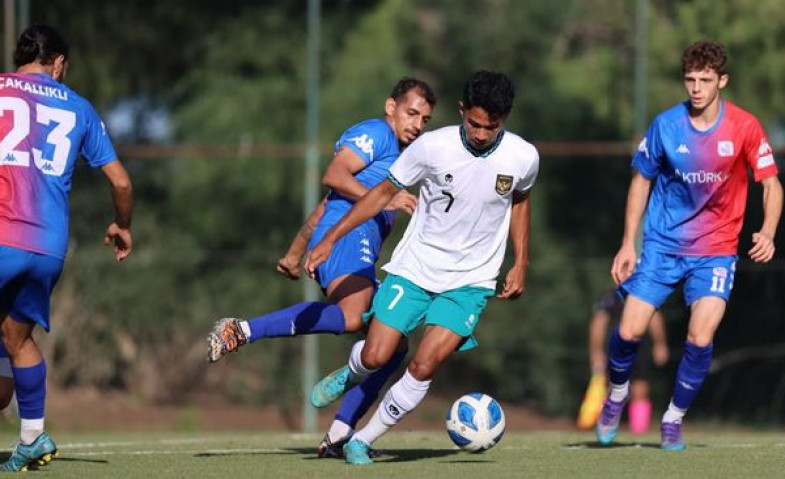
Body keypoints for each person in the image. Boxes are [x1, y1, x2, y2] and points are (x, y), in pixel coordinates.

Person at [305, 70, 539, 466]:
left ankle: (362, 440)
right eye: (475, 123)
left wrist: (521, 262)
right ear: (463, 111)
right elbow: (381, 194)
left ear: (505, 119)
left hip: (472, 280)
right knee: (378, 356)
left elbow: (520, 200)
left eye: (492, 127)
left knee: (423, 364)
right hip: (415, 269)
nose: (481, 134)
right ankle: (352, 370)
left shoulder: (523, 156)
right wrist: (329, 238)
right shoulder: (432, 147)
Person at [206, 78, 436, 457]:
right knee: (353, 316)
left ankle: (340, 435)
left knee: (393, 345)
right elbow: (334, 177)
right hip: (346, 237)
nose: (417, 123)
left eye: (425, 119)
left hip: (346, 241)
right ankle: (241, 329)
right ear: (391, 107)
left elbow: (321, 205)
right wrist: (384, 200)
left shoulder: (406, 156)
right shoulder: (377, 133)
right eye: (411, 113)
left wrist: (295, 252)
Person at [596, 40, 782, 451]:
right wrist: (629, 243)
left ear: (722, 81)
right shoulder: (665, 125)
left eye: (705, 80)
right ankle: (616, 396)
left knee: (700, 337)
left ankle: (673, 420)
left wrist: (767, 230)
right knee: (628, 331)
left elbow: (770, 183)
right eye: (690, 80)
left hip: (716, 251)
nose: (696, 88)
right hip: (662, 247)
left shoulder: (745, 127)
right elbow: (640, 181)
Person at [0, 25, 134, 471]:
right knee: (17, 341)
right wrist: (122, 225)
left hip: (2, 235)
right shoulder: (79, 106)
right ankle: (33, 438)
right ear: (58, 63)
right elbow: (120, 181)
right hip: (48, 247)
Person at [577, 289, 669, 433]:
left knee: (641, 388)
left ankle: (639, 431)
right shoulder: (609, 297)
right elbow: (598, 323)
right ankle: (607, 425)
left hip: (639, 348)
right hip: (615, 347)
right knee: (611, 387)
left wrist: (660, 344)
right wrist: (596, 352)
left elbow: (655, 318)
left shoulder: (646, 293)